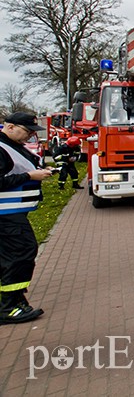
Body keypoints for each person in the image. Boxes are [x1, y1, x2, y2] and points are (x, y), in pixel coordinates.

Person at [0, 112, 54, 325]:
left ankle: (16, 300)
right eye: (27, 131)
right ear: (10, 127)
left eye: (32, 132)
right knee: (21, 252)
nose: (30, 135)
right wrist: (29, 176)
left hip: (11, 213)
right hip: (5, 215)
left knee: (13, 255)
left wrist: (40, 171)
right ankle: (8, 307)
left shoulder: (11, 145)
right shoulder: (2, 148)